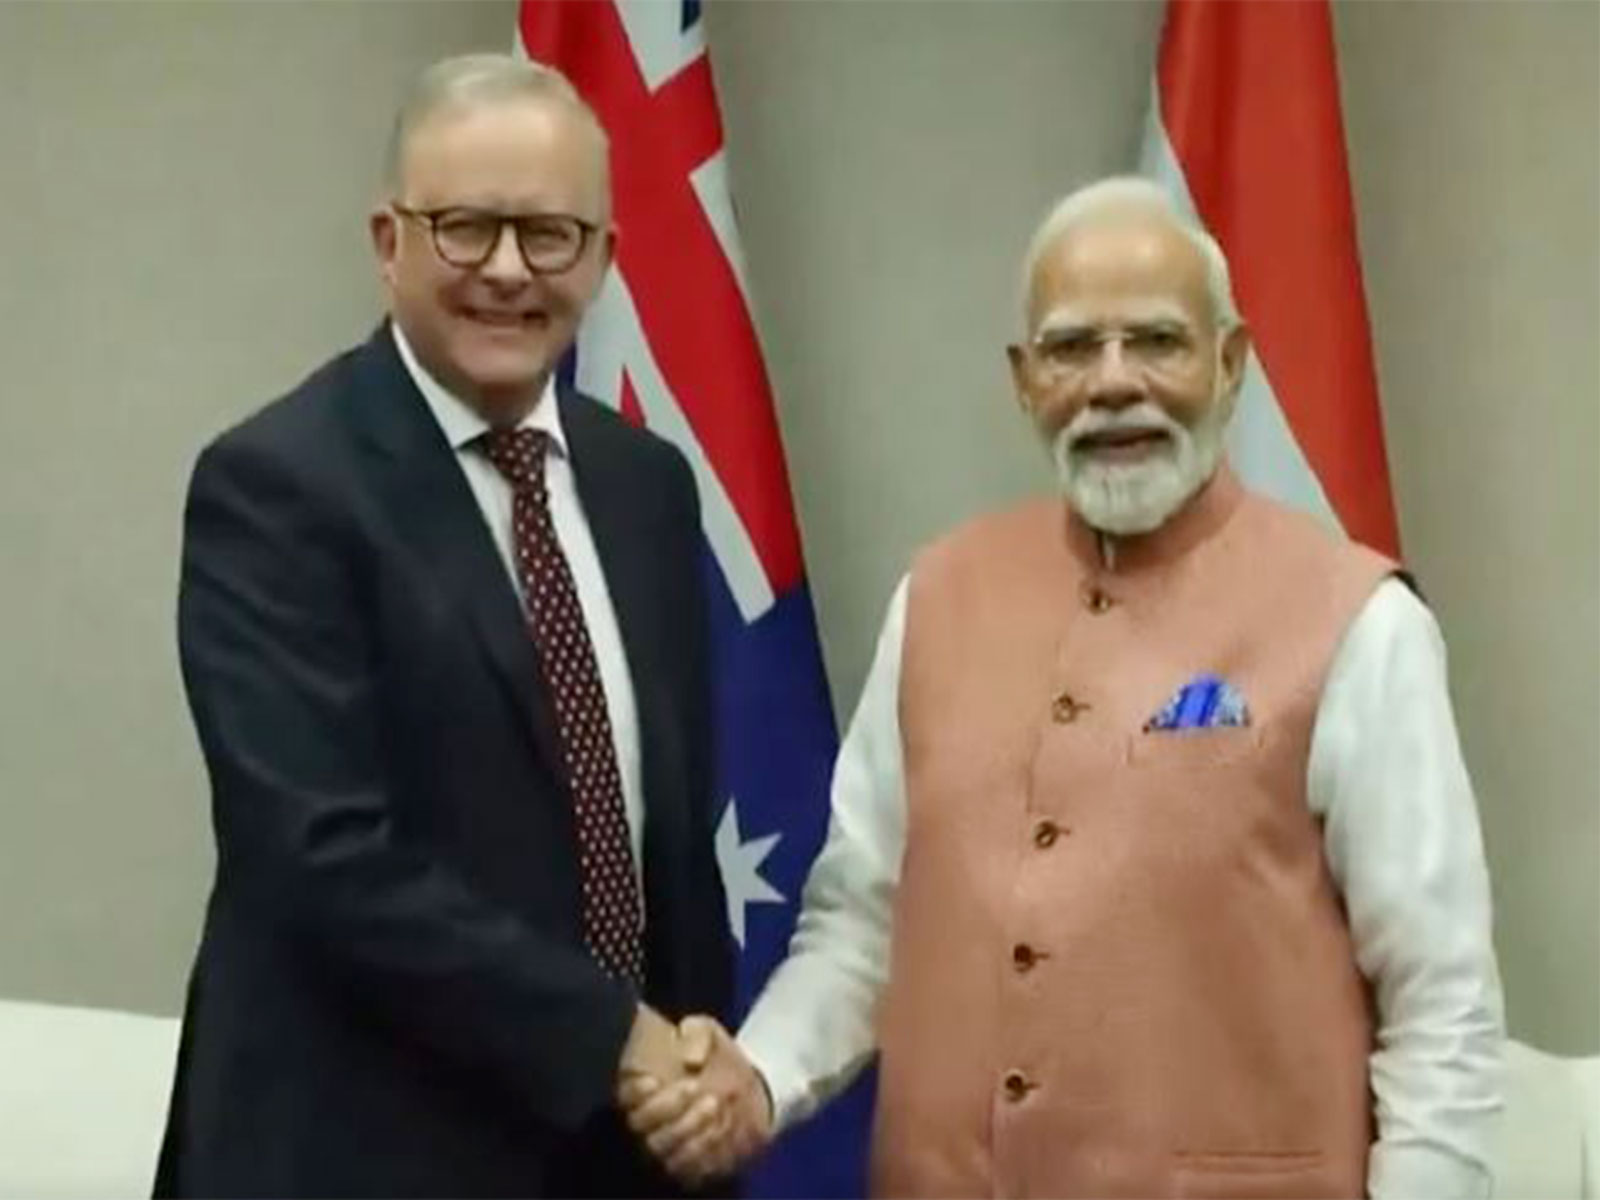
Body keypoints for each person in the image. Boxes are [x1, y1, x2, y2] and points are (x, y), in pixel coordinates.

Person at [624, 176, 1504, 1199]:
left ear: (1230, 364)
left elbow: (1441, 1007)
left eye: (1158, 342)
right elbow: (863, 921)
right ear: (1023, 380)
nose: (1113, 383)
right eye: (1073, 347)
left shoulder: (1360, 622)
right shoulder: (939, 595)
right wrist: (760, 1078)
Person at [154, 53, 733, 1198]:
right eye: (467, 228)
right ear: (389, 242)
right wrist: (616, 1037)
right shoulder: (276, 486)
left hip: (612, 1157)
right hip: (360, 1152)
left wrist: (696, 1060)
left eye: (551, 234)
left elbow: (663, 831)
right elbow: (322, 860)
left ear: (606, 257)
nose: (508, 271)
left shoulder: (647, 487)